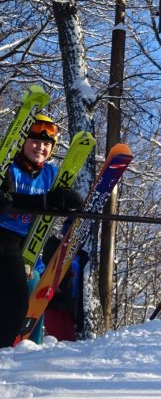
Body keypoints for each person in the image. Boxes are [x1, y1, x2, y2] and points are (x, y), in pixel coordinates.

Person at [0, 115, 83, 347]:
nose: (41, 147)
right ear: (24, 143)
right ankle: (5, 349)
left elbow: (60, 199)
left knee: (38, 290)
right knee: (16, 297)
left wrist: (70, 201)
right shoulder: (8, 168)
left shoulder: (51, 174)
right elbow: (9, 200)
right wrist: (45, 202)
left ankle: (30, 351)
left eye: (47, 144)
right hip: (4, 236)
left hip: (31, 240)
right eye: (35, 142)